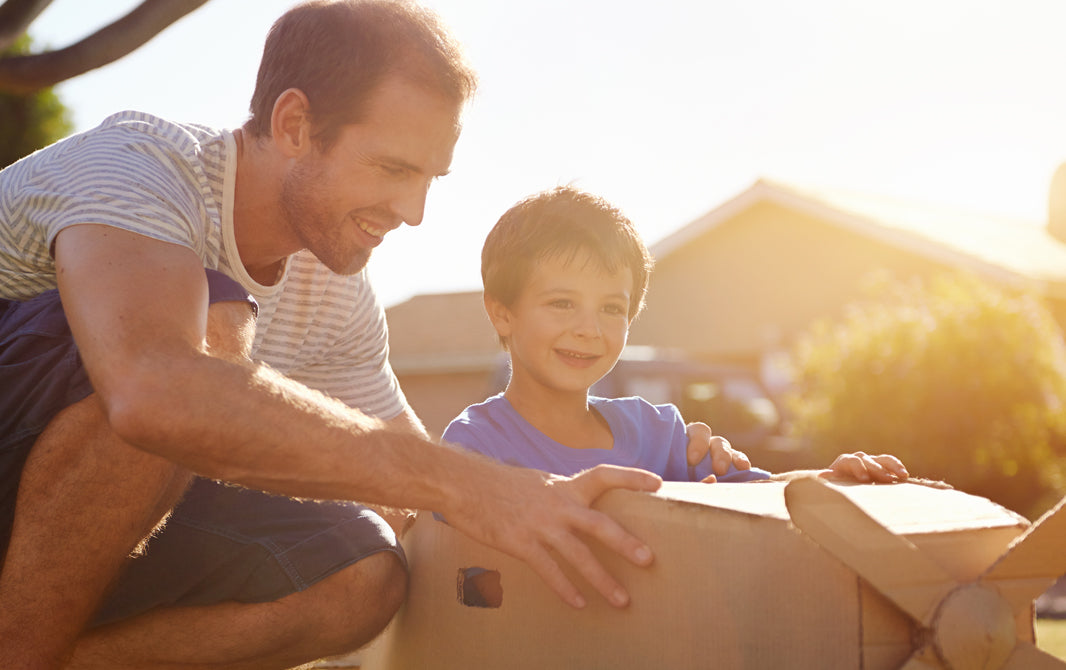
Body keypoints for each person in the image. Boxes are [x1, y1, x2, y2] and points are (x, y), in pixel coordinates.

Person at [0, 3, 747, 668]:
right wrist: (474, 483)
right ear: (293, 124)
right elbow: (152, 391)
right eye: (393, 167)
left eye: (431, 177)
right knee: (206, 329)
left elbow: (414, 489)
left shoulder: (335, 287)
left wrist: (579, 508)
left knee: (363, 569)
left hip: (64, 549)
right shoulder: (142, 166)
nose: (414, 210)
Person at [442, 186, 911, 486]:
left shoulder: (659, 433)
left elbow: (765, 495)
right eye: (562, 303)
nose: (589, 328)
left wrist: (830, 479)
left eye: (611, 308)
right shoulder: (475, 448)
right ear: (502, 314)